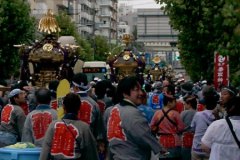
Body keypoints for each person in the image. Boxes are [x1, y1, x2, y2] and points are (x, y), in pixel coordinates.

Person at [107, 76, 165, 160]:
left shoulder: (113, 109)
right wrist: (159, 148)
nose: (141, 93)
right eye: (137, 90)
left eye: (141, 89)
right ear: (125, 93)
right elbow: (143, 136)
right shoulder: (133, 113)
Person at [40, 93, 99, 160]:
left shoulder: (53, 125)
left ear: (63, 107)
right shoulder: (84, 127)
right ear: (79, 107)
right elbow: (91, 153)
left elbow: (45, 150)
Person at [150, 92, 185, 160]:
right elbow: (181, 128)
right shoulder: (175, 114)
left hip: (162, 141)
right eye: (174, 102)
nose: (175, 103)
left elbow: (152, 126)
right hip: (174, 141)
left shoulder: (157, 113)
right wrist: (175, 130)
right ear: (169, 102)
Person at [191, 86, 219, 160]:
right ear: (216, 105)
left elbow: (192, 128)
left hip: (196, 148)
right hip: (209, 150)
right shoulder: (219, 118)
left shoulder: (198, 114)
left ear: (205, 105)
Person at [180, 95, 197, 160]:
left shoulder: (184, 113)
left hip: (185, 137)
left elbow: (179, 125)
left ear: (189, 104)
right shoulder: (198, 113)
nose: (184, 106)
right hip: (195, 137)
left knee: (185, 155)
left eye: (185, 104)